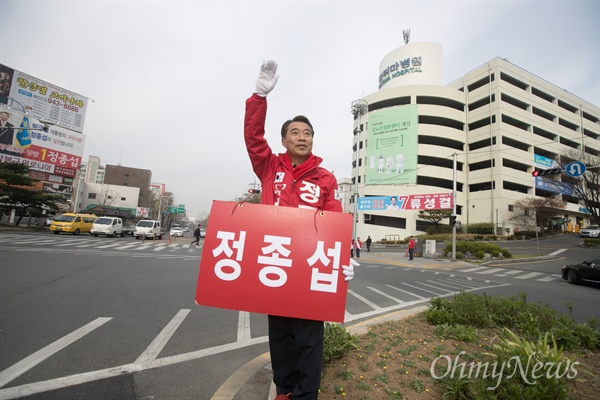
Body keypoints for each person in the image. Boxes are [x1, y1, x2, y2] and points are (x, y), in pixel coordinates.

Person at [244, 60, 356, 400]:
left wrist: (343, 259)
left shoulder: (325, 178)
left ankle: (307, 395)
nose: (302, 137)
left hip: (309, 269)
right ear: (284, 140)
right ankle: (285, 390)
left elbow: (335, 220)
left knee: (309, 338)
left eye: (308, 133)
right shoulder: (269, 166)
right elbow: (253, 137)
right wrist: (258, 97)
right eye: (295, 132)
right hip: (275, 263)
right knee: (280, 336)